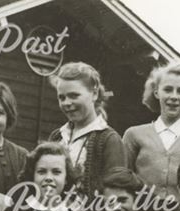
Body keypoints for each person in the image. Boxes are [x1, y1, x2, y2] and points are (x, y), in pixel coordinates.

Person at [123, 62, 180, 206]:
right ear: (156, 92)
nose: (174, 96)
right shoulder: (134, 134)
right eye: (168, 89)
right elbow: (123, 180)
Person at [48, 62, 127, 198]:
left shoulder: (109, 140)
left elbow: (115, 194)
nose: (67, 103)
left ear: (94, 94)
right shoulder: (57, 137)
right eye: (62, 97)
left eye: (74, 96)